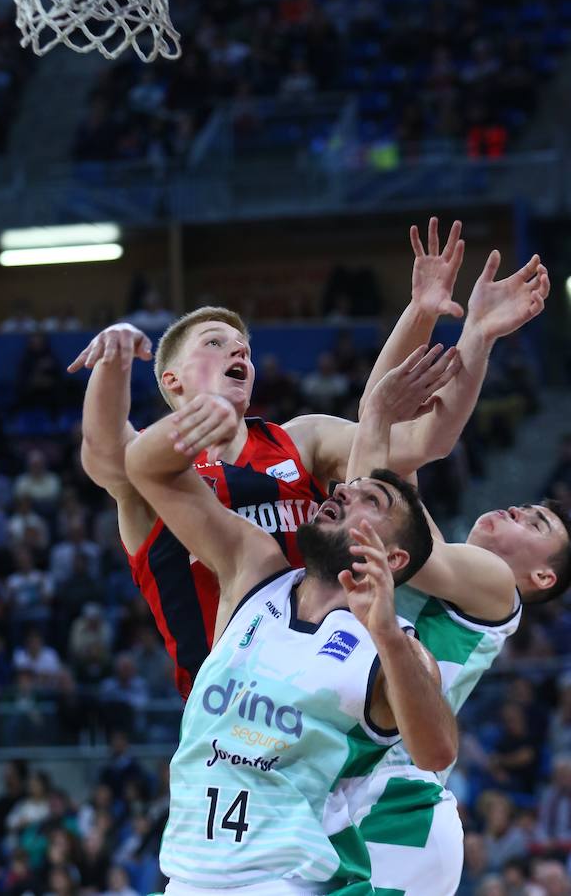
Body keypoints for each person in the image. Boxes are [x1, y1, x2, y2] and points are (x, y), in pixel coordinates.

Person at [68, 218, 469, 698]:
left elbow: (416, 442)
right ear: (172, 380)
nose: (237, 347)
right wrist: (113, 359)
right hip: (232, 705)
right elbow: (106, 454)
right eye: (214, 342)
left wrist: (424, 314)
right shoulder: (159, 474)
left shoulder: (302, 440)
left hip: (333, 680)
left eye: (243, 347)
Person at [124, 366, 458, 893]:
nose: (346, 493)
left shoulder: (395, 647)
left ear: (393, 557)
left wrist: (390, 636)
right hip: (189, 878)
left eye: (372, 502)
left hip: (293, 882)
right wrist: (194, 420)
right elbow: (145, 468)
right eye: (348, 489)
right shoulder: (253, 567)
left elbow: (437, 751)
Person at [338, 244, 562, 895]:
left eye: (538, 524)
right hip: (359, 794)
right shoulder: (432, 550)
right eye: (529, 508)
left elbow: (370, 499)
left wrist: (381, 415)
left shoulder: (494, 589)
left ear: (540, 578)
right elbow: (395, 435)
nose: (522, 508)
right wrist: (468, 331)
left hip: (398, 807)